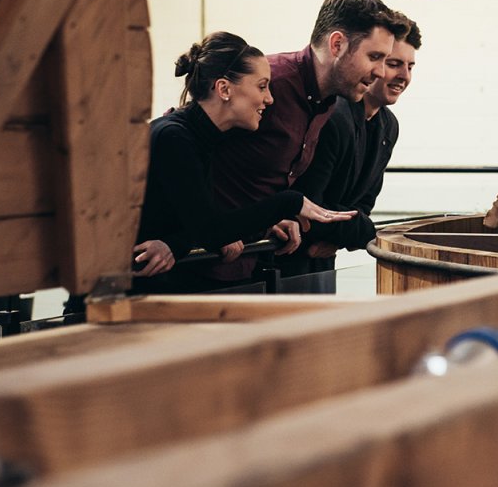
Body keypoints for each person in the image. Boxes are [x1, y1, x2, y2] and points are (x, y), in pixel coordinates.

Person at [132, 32, 354, 293]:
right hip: (118, 299)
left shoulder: (199, 138)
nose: (269, 99)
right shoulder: (175, 138)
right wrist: (289, 202)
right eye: (261, 86)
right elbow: (210, 230)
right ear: (224, 89)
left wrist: (178, 243)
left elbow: (197, 222)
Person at [208, 0, 407, 279]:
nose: (380, 72)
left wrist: (270, 220)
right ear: (337, 44)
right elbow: (180, 138)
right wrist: (185, 233)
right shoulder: (272, 81)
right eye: (374, 57)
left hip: (247, 265)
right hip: (196, 266)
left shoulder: (324, 102)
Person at [291, 15, 421, 276]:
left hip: (324, 257)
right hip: (287, 257)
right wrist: (362, 231)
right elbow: (312, 206)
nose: (403, 76)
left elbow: (364, 203)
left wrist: (341, 237)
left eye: (410, 66)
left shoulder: (388, 124)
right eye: (393, 64)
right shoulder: (333, 115)